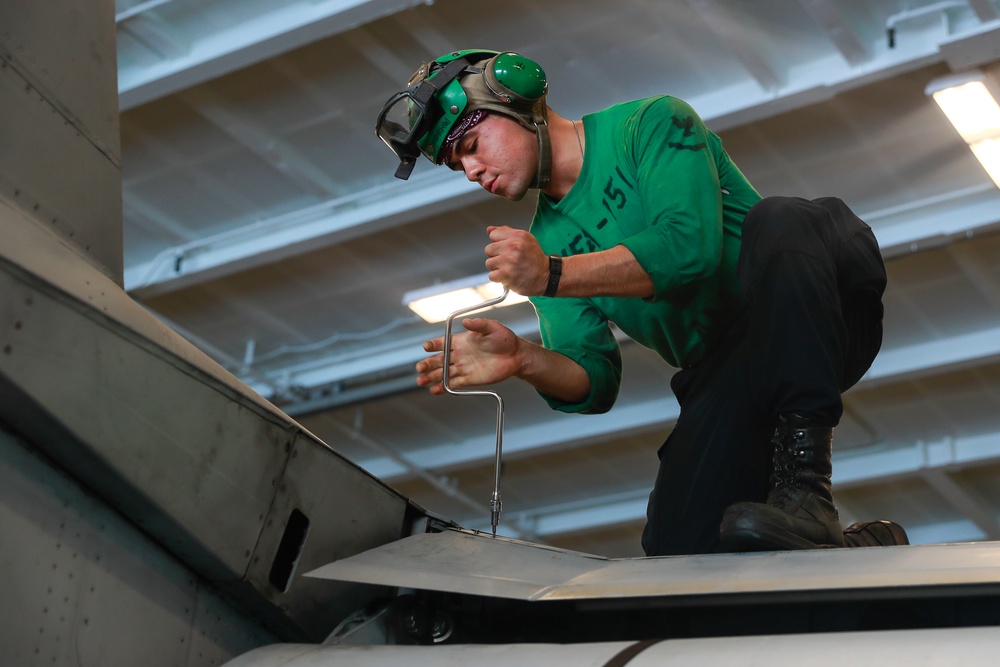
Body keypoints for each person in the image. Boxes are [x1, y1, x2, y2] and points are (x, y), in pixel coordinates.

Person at [375, 49, 909, 555]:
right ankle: (853, 551)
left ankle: (808, 489)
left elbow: (688, 249)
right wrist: (525, 360)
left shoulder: (649, 123)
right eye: (456, 164)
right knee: (677, 549)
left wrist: (554, 274)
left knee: (784, 217)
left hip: (820, 303)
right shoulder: (545, 243)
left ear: (515, 98)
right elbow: (595, 382)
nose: (471, 172)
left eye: (470, 146)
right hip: (732, 368)